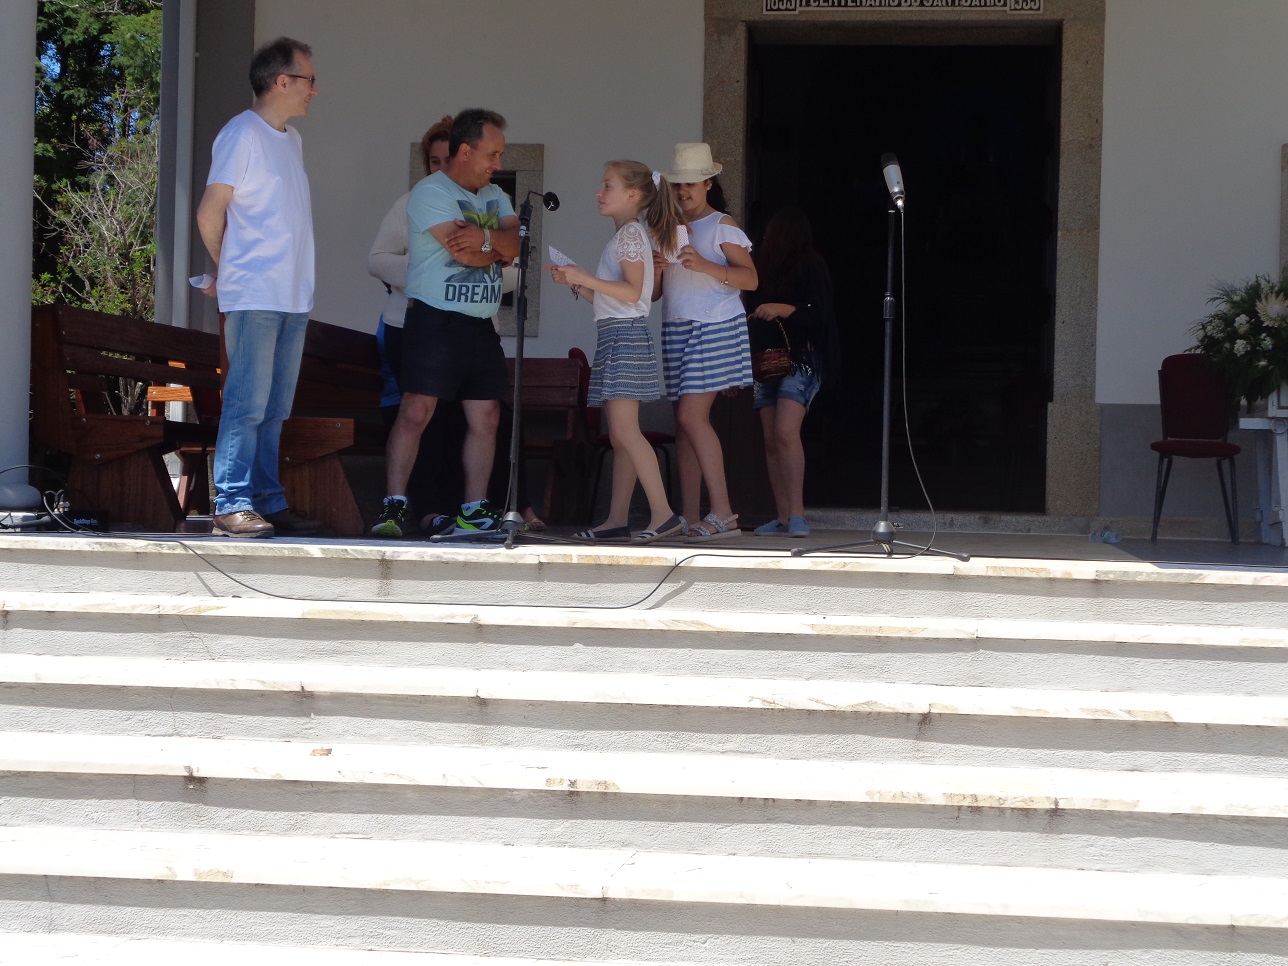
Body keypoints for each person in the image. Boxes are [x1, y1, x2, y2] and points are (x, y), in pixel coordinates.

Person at [371, 108, 520, 538]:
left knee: (486, 416)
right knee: (416, 411)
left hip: (481, 325)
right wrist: (496, 247)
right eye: (492, 154)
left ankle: (474, 510)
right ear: (466, 151)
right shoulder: (429, 192)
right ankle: (395, 505)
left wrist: (486, 240)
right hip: (434, 321)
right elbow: (463, 254)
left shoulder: (496, 194)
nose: (498, 164)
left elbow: (516, 243)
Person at [195, 37, 322, 539]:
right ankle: (231, 502)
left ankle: (267, 500)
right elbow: (209, 212)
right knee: (247, 403)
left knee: (274, 409)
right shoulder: (241, 133)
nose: (316, 90)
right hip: (256, 294)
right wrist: (229, 271)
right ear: (282, 81)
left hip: (292, 295)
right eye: (310, 79)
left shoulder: (292, 139)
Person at [547, 162, 685, 543]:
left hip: (624, 337)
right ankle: (616, 519)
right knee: (622, 433)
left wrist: (584, 277)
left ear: (632, 194)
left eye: (607, 185)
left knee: (624, 431)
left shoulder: (630, 235)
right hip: (616, 334)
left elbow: (632, 292)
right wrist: (576, 283)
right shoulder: (628, 235)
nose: (599, 192)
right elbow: (617, 299)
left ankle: (664, 514)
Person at [654, 143, 758, 541]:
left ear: (709, 184)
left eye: (692, 184)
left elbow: (750, 279)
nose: (683, 191)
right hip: (676, 324)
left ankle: (724, 513)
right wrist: (658, 269)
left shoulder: (722, 224)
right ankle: (690, 515)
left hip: (714, 323)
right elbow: (656, 294)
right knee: (684, 424)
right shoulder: (667, 225)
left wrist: (705, 264)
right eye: (677, 184)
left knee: (691, 417)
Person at [368, 115, 466, 535]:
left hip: (460, 330)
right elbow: (377, 260)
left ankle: (451, 509)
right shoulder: (408, 203)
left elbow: (509, 270)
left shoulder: (479, 204)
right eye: (433, 161)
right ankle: (421, 509)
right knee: (421, 418)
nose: (440, 169)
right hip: (407, 326)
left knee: (457, 422)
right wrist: (428, 274)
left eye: (449, 160)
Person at [745, 207, 839, 538]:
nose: (766, 239)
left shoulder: (810, 264)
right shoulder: (763, 270)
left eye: (771, 233)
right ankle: (783, 515)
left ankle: (797, 514)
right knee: (771, 438)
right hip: (767, 361)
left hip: (801, 359)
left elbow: (820, 317)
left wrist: (783, 309)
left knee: (785, 432)